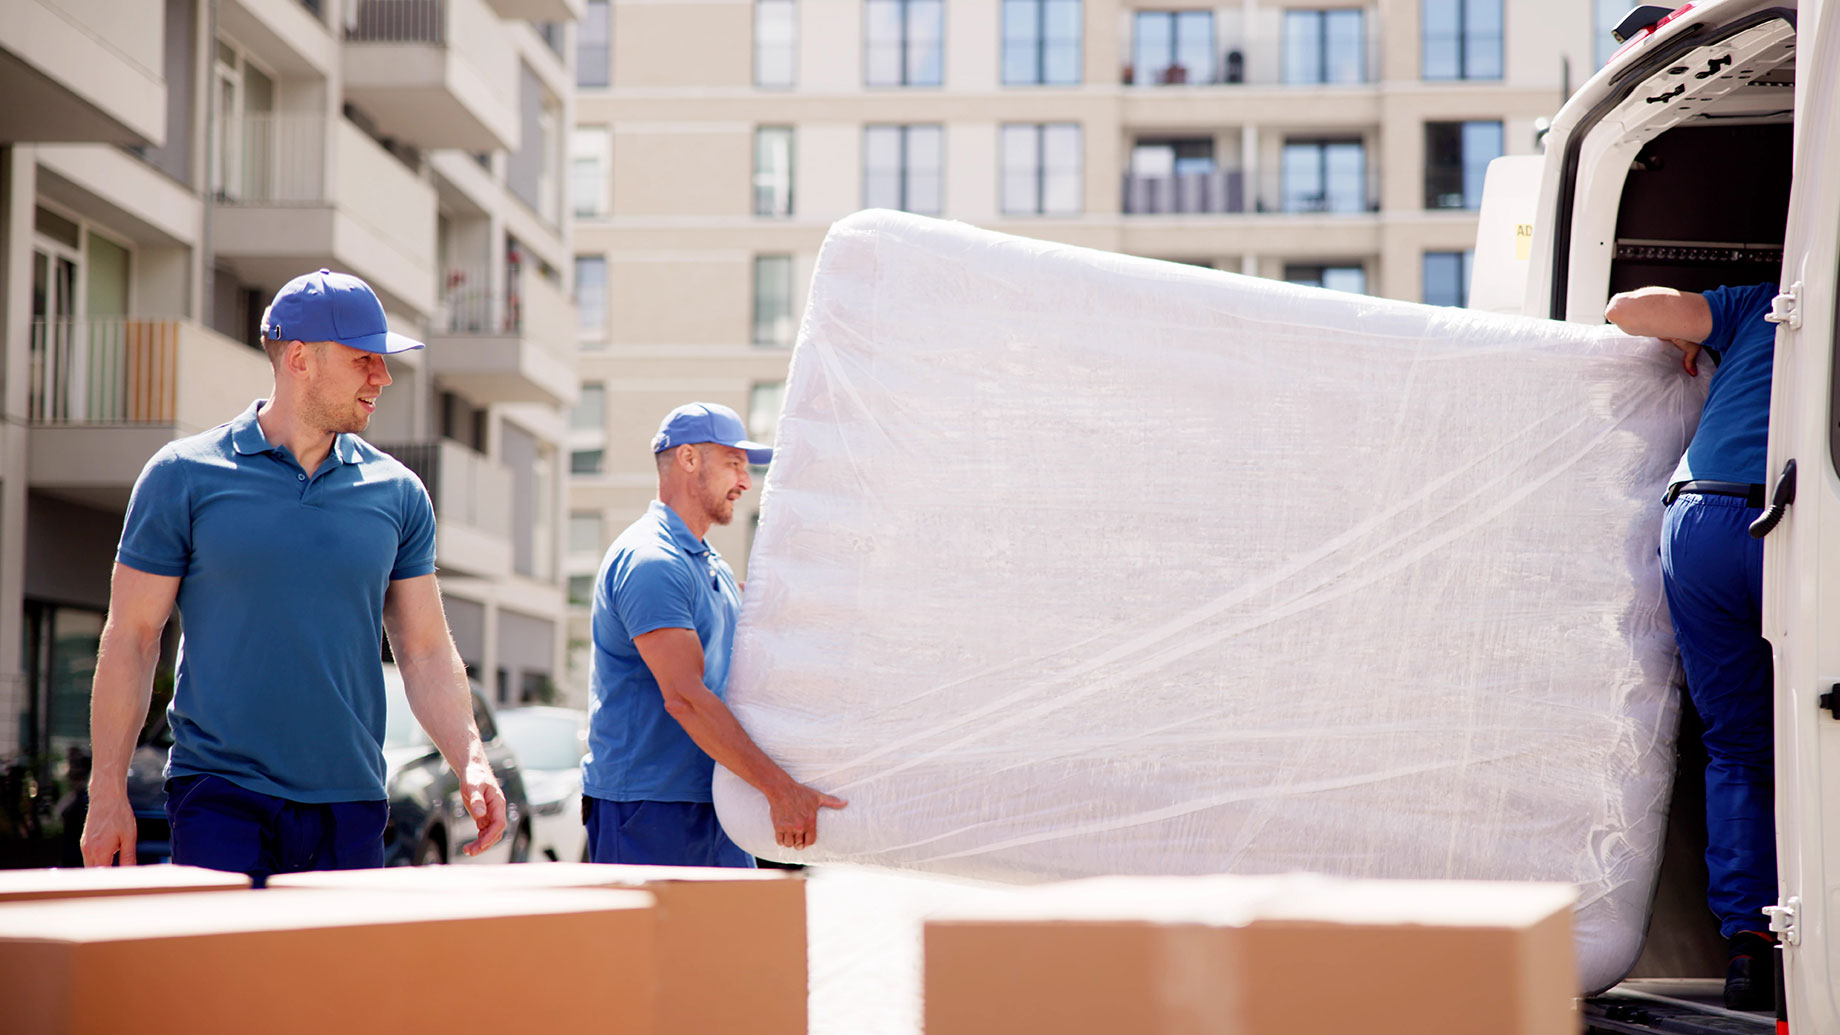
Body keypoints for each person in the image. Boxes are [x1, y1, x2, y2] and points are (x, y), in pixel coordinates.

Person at [80, 269, 507, 882]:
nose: (382, 378)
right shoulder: (183, 476)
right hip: (221, 797)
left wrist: (470, 759)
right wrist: (106, 793)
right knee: (226, 980)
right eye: (365, 359)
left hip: (351, 807)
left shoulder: (399, 493)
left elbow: (424, 649)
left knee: (338, 982)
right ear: (300, 358)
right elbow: (131, 638)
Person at [1605, 281, 1780, 1009]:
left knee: (1738, 743)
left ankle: (1749, 946)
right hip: (1794, 517)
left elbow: (1625, 309)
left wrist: (1691, 335)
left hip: (1702, 519)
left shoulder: (1763, 302)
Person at [583, 402, 845, 866]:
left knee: (729, 941)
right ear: (688, 459)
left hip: (715, 801)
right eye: (733, 464)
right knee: (661, 943)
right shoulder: (653, 562)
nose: (745, 482)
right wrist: (780, 790)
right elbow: (685, 697)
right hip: (650, 808)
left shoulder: (708, 565)